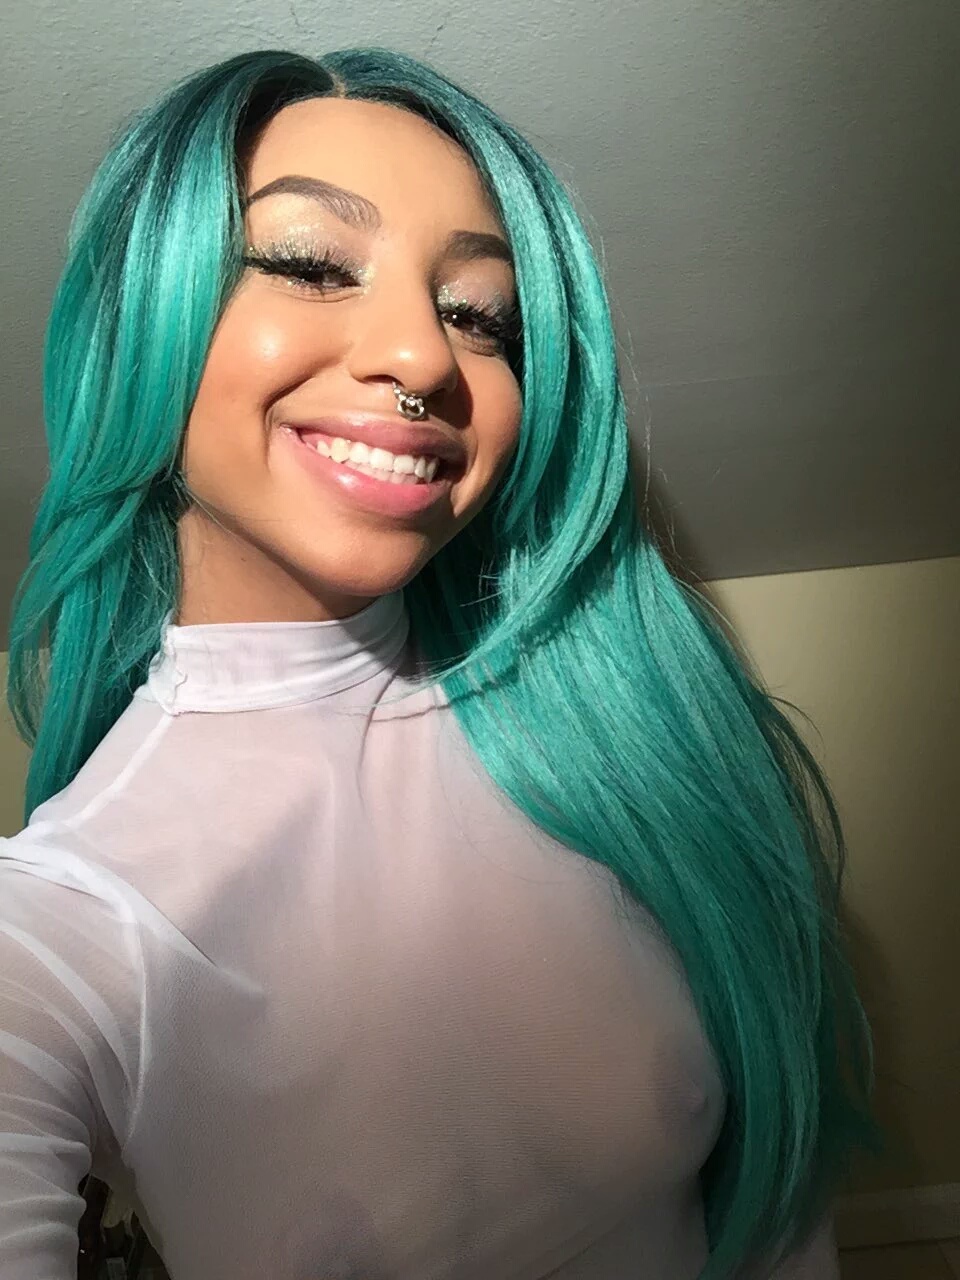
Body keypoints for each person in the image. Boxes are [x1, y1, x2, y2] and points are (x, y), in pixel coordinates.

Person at [0, 48, 883, 1280]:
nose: (423, 357)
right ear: (139, 321)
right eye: (311, 264)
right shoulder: (56, 929)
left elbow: (782, 1212)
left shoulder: (634, 741)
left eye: (479, 315)